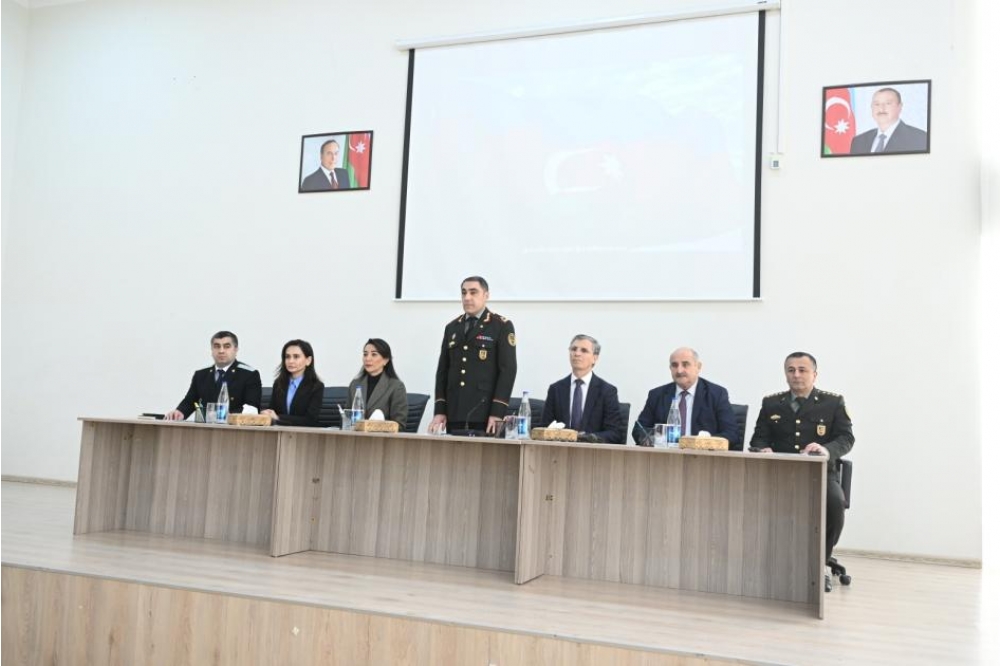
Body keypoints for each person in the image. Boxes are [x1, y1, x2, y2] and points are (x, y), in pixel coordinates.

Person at [748, 352, 854, 563]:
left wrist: (826, 450)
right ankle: (767, 559)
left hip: (820, 474)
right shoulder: (771, 404)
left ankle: (821, 560)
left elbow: (846, 438)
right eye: (791, 370)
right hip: (779, 472)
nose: (796, 375)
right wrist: (763, 449)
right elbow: (758, 438)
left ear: (814, 374)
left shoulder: (833, 402)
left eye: (802, 370)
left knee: (834, 504)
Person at [429, 276, 517, 435]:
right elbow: (443, 371)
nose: (467, 297)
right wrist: (440, 410)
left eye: (473, 292)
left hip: (484, 413)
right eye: (464, 293)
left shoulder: (501, 326)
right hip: (454, 411)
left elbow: (508, 371)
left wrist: (497, 412)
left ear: (486, 295)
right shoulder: (452, 327)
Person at [631, 347, 739, 448]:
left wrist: (702, 441)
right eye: (674, 365)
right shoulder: (657, 395)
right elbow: (638, 431)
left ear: (698, 367)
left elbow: (731, 434)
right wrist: (661, 438)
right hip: (665, 457)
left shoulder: (716, 394)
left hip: (702, 457)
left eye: (685, 364)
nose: (679, 370)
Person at [541, 334, 625, 444]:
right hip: (560, 450)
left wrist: (585, 438)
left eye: (584, 350)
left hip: (593, 451)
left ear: (595, 358)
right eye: (573, 349)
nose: (577, 353)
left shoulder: (607, 391)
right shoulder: (556, 389)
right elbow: (544, 428)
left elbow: (615, 433)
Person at [165, 330, 262, 420]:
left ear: (236, 349)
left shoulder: (249, 374)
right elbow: (190, 401)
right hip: (205, 428)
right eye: (217, 346)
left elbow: (252, 408)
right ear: (212, 349)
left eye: (227, 346)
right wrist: (179, 412)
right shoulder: (201, 375)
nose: (221, 351)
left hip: (235, 428)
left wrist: (221, 416)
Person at [346, 338, 408, 429]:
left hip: (382, 437)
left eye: (374, 354)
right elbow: (347, 419)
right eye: (365, 354)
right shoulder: (355, 384)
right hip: (355, 436)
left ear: (385, 360)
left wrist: (373, 427)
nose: (368, 358)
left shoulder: (396, 387)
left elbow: (399, 425)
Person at [261, 339, 325, 427]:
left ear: (308, 360)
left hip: (304, 433)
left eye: (296, 357)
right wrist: (267, 414)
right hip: (279, 431)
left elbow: (310, 420)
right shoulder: (279, 383)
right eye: (287, 357)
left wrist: (279, 417)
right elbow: (272, 411)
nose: (290, 361)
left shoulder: (316, 386)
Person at [850, 87, 928, 154]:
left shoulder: (919, 138)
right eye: (877, 104)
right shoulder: (858, 141)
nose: (881, 108)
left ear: (900, 106)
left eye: (888, 103)